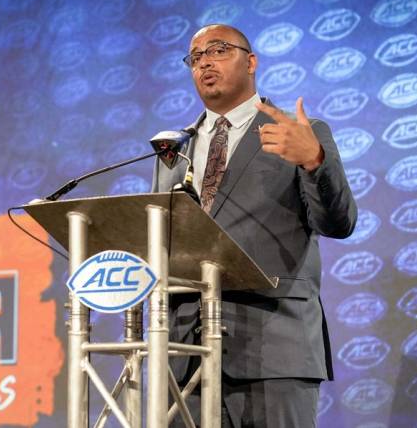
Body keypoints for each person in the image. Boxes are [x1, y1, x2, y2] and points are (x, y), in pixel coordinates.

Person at [152, 24, 357, 427]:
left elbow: (339, 222)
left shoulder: (300, 134)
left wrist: (315, 162)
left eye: (219, 50)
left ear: (251, 61)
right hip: (182, 355)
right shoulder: (174, 149)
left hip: (273, 347)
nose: (205, 62)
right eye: (195, 57)